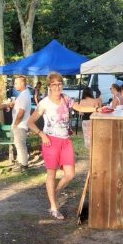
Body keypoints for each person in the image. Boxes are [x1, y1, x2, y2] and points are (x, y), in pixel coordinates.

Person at [26, 72, 97, 220]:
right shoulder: (44, 103)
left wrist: (96, 109)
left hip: (65, 140)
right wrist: (42, 134)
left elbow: (79, 108)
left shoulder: (66, 98)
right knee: (51, 174)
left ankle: (55, 192)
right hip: (50, 141)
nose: (57, 87)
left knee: (70, 174)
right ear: (49, 86)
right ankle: (53, 207)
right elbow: (30, 122)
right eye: (54, 84)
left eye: (59, 83)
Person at [10, 76, 32, 171]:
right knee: (18, 143)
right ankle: (20, 162)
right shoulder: (24, 94)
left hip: (20, 124)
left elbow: (21, 112)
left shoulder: (24, 95)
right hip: (21, 124)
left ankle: (23, 164)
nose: (14, 85)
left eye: (16, 83)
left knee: (20, 144)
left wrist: (15, 123)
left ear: (22, 83)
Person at [78, 87, 101, 154]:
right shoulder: (94, 101)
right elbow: (97, 112)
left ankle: (89, 152)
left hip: (85, 121)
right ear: (91, 92)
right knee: (94, 136)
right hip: (93, 120)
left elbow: (80, 113)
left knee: (86, 136)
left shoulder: (82, 101)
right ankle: (95, 152)